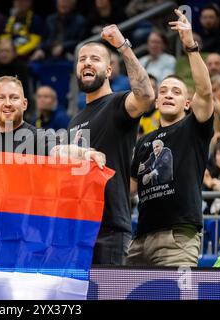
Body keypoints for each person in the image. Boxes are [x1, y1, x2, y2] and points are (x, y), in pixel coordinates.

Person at [126, 9, 214, 267]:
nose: (167, 94)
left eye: (176, 91)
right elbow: (128, 189)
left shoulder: (193, 127)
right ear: (155, 100)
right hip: (140, 238)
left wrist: (190, 46)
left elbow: (206, 91)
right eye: (163, 90)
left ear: (187, 103)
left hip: (178, 238)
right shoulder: (144, 141)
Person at [68, 24, 155, 265]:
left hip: (110, 228)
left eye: (94, 59)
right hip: (77, 227)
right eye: (82, 59)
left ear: (108, 70)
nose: (86, 62)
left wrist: (123, 47)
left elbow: (147, 96)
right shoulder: (74, 119)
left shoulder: (118, 103)